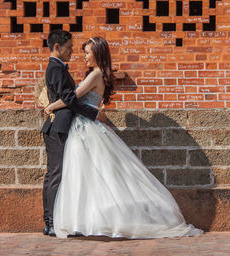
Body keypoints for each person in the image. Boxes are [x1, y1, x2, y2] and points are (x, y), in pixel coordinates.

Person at [44, 36, 203, 239]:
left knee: (86, 175)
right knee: (91, 175)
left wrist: (51, 105)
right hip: (86, 126)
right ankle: (87, 219)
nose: (83, 56)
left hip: (85, 128)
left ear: (97, 53)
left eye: (87, 52)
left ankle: (87, 220)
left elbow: (72, 97)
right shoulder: (99, 74)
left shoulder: (95, 75)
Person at [41, 30, 106, 237]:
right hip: (57, 127)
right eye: (69, 47)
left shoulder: (59, 68)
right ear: (57, 47)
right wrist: (93, 113)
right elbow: (70, 98)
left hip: (64, 126)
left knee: (58, 174)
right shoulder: (56, 68)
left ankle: (54, 221)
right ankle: (50, 223)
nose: (73, 52)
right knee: (55, 174)